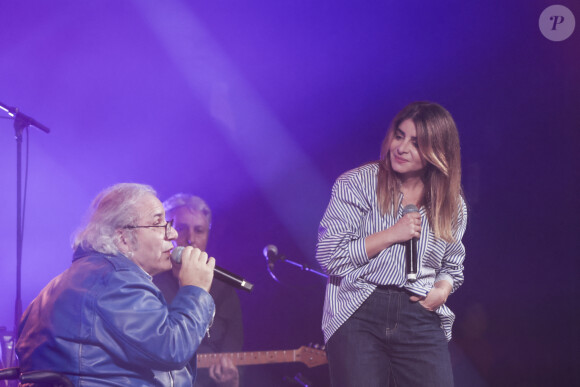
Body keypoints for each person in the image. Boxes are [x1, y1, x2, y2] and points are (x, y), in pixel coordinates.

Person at [316, 101, 467, 386]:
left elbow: (452, 265)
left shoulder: (452, 204)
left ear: (438, 151)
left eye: (416, 143)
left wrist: (442, 290)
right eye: (399, 136)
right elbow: (329, 255)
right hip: (358, 311)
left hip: (419, 312)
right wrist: (391, 234)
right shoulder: (357, 183)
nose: (402, 148)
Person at [16, 183, 216, 386]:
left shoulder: (70, 281)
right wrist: (195, 290)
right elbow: (172, 349)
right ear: (123, 238)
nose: (172, 234)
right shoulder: (115, 282)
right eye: (158, 224)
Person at [154, 193, 243, 387]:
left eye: (199, 230)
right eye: (181, 228)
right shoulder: (149, 280)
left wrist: (232, 382)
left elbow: (234, 353)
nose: (190, 239)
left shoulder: (225, 290)